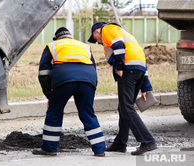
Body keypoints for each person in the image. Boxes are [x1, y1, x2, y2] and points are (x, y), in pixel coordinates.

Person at [32, 27, 106, 157]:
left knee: (54, 112)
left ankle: (49, 148)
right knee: (87, 112)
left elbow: (43, 74)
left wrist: (50, 95)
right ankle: (100, 149)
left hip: (63, 79)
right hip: (88, 80)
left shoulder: (52, 46)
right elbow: (93, 69)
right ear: (70, 37)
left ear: (57, 38)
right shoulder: (84, 46)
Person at [88, 22, 157, 155]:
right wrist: (145, 86)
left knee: (126, 108)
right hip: (138, 69)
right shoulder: (126, 34)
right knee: (124, 107)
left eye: (94, 37)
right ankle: (120, 143)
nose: (97, 41)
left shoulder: (107, 29)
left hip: (127, 69)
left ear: (97, 31)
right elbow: (140, 59)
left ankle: (147, 141)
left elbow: (118, 46)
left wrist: (119, 66)